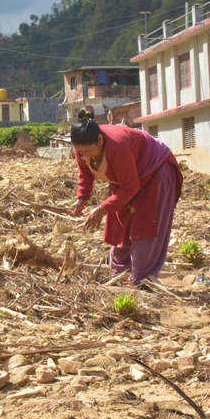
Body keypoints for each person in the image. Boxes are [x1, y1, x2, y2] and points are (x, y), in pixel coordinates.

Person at [70, 110, 183, 288]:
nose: (86, 156)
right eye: (81, 152)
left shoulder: (117, 145)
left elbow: (130, 187)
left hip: (155, 171)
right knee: (120, 225)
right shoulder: (83, 149)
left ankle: (142, 282)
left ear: (100, 140)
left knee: (145, 227)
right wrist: (82, 199)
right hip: (128, 178)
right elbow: (85, 172)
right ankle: (120, 277)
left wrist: (101, 210)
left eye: (90, 151)